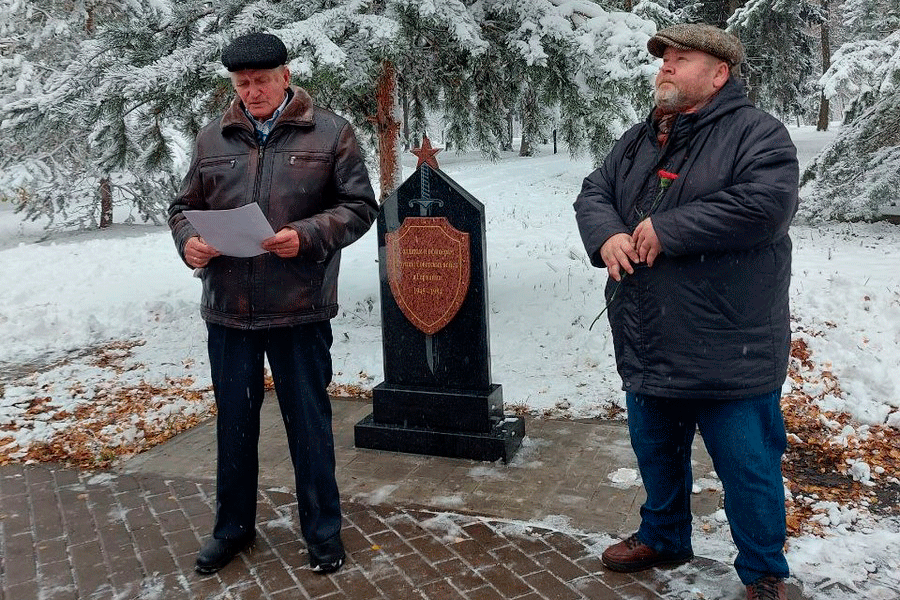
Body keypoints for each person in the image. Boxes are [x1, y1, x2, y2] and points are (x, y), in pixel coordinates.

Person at [573, 23, 798, 600]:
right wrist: (607, 236)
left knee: (748, 468)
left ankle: (764, 572)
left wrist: (667, 228)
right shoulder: (640, 138)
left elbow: (765, 206)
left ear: (720, 74)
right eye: (664, 58)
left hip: (730, 343)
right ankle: (665, 535)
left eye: (681, 58)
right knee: (657, 455)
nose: (666, 67)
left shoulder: (758, 134)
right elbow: (594, 190)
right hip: (651, 336)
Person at [168, 32, 378, 576]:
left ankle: (323, 534)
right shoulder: (213, 136)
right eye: (242, 84)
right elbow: (183, 207)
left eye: (262, 81)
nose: (253, 92)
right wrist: (187, 240)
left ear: (285, 76)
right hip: (229, 308)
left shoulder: (331, 131)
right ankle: (232, 530)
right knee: (234, 425)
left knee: (308, 425)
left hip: (299, 306)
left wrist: (307, 235)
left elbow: (359, 205)